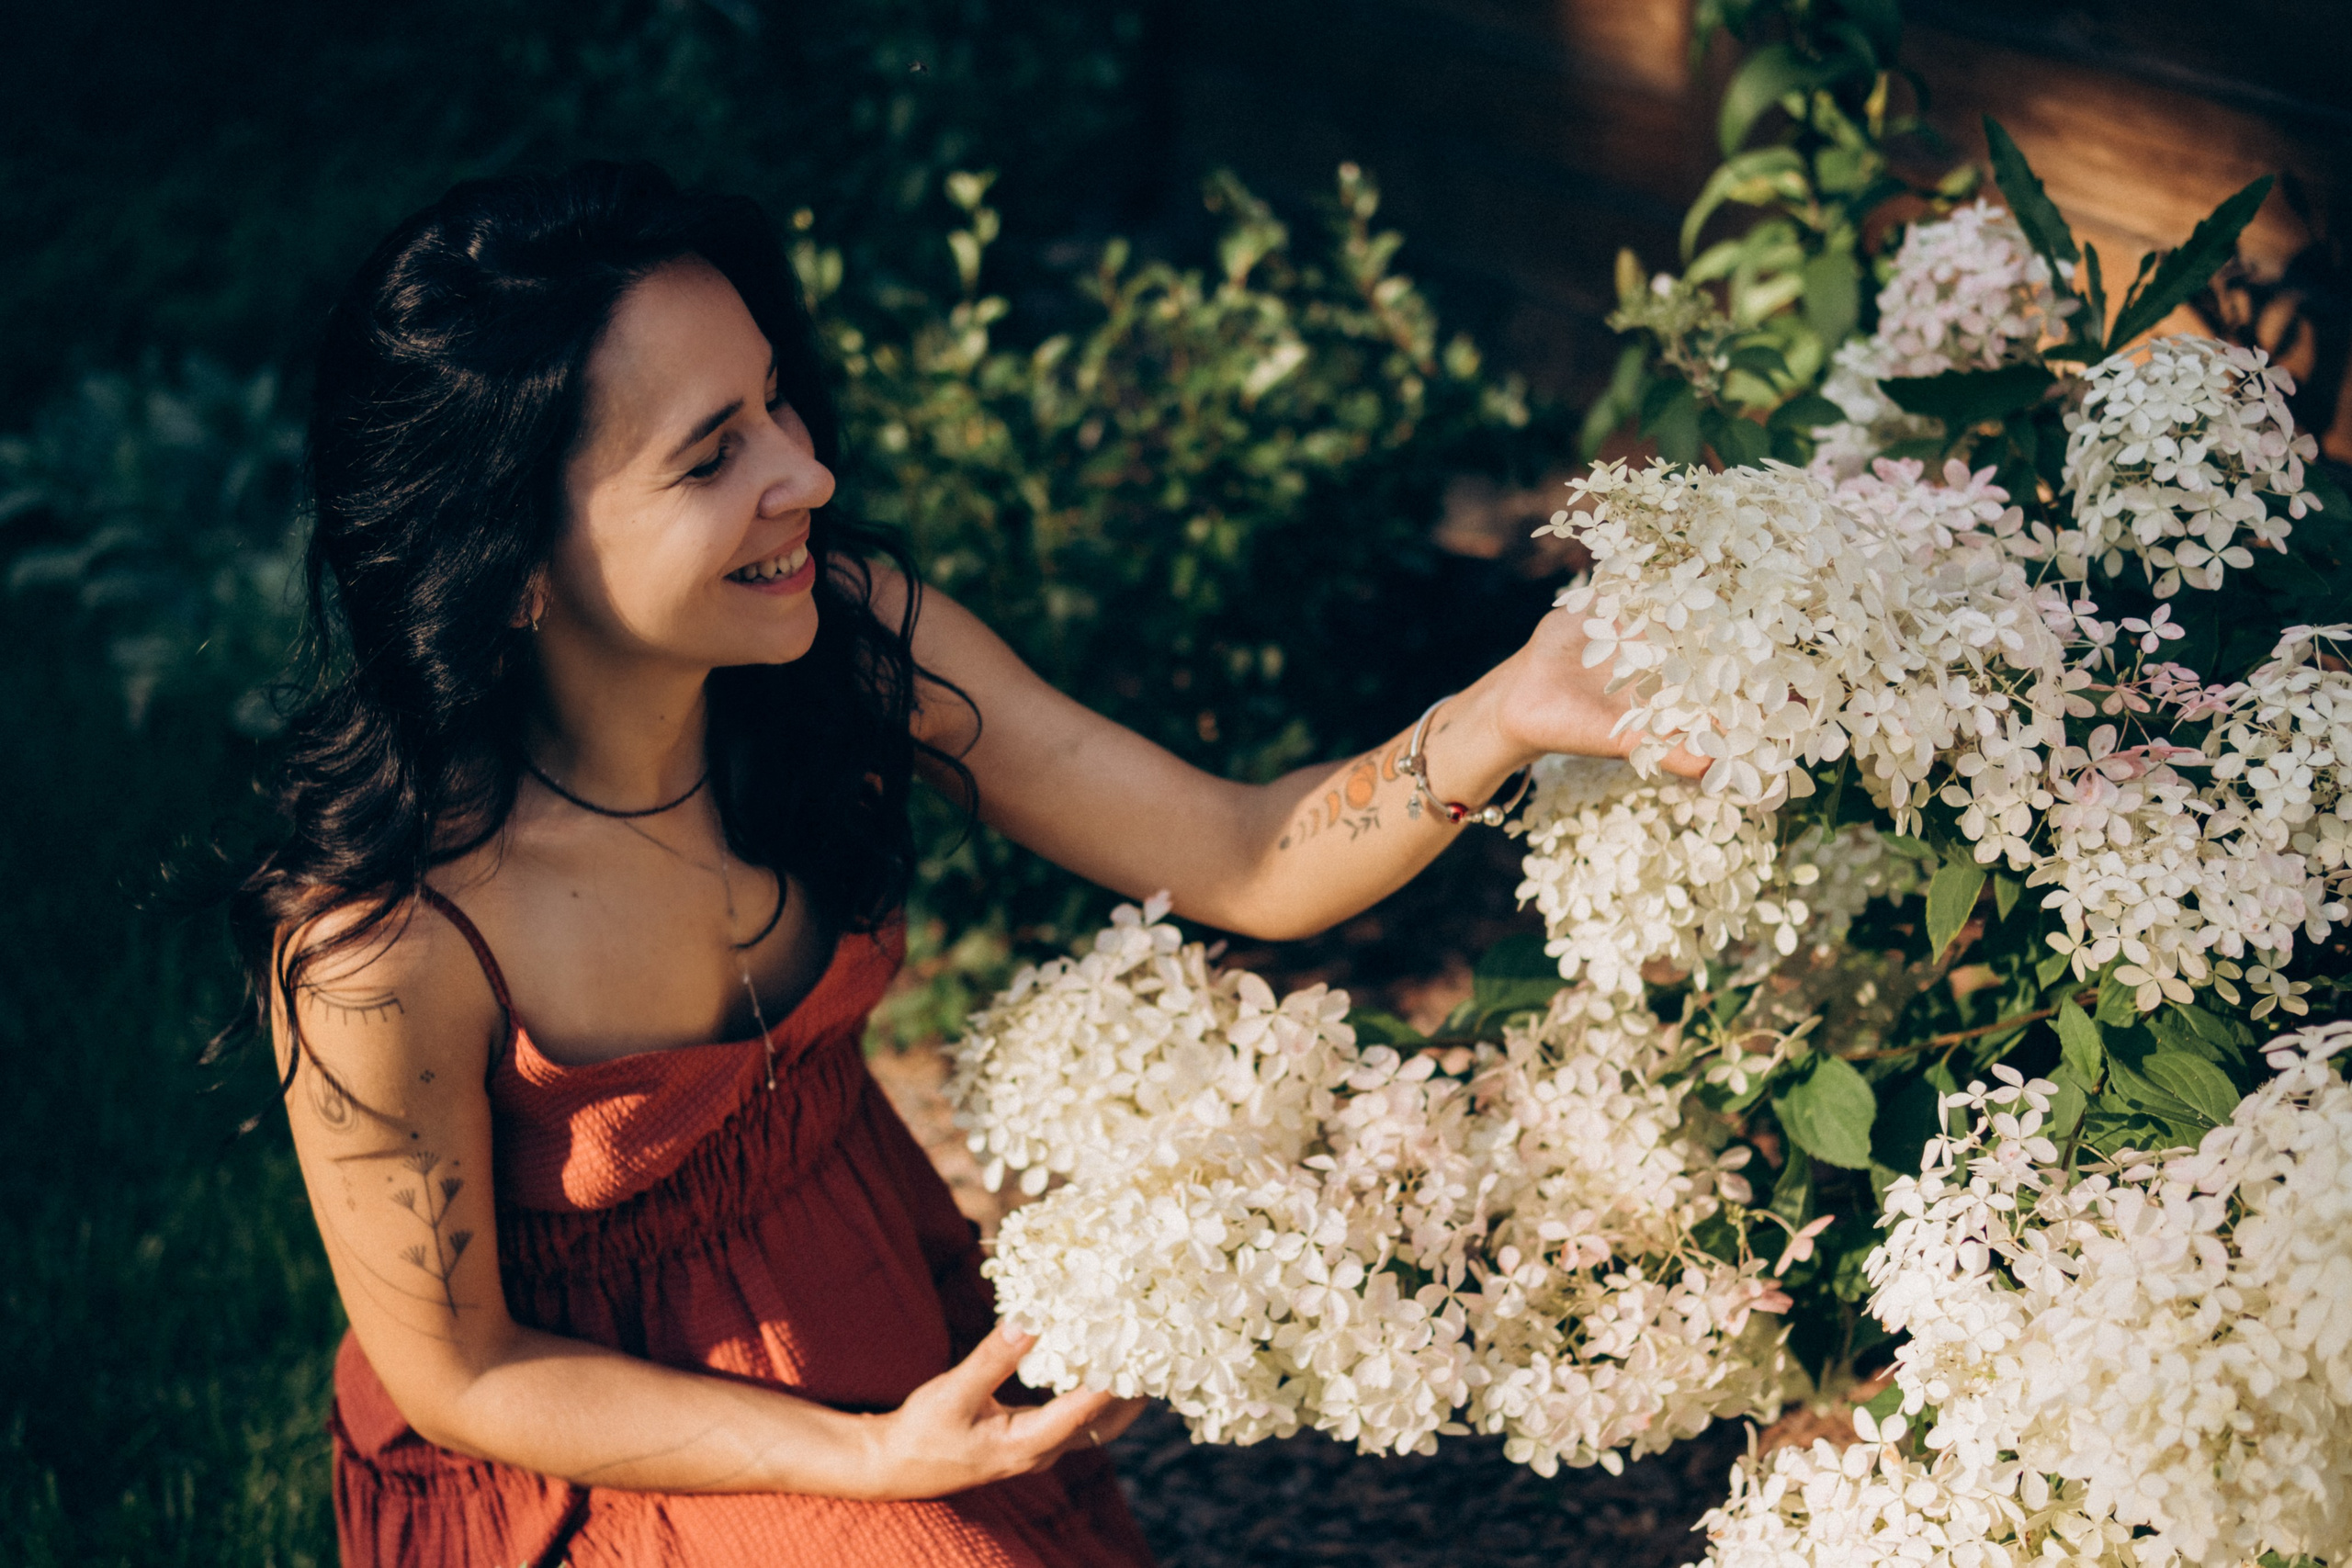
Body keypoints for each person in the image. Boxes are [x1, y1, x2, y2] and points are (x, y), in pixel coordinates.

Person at [235, 161, 1697, 1568]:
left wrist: (1501, 714)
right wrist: (874, 1465)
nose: (803, 469)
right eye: (711, 454)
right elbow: (468, 1376)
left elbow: (1239, 855)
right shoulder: (391, 947)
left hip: (877, 1301)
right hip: (608, 1451)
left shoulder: (851, 646)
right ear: (511, 564)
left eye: (773, 404)